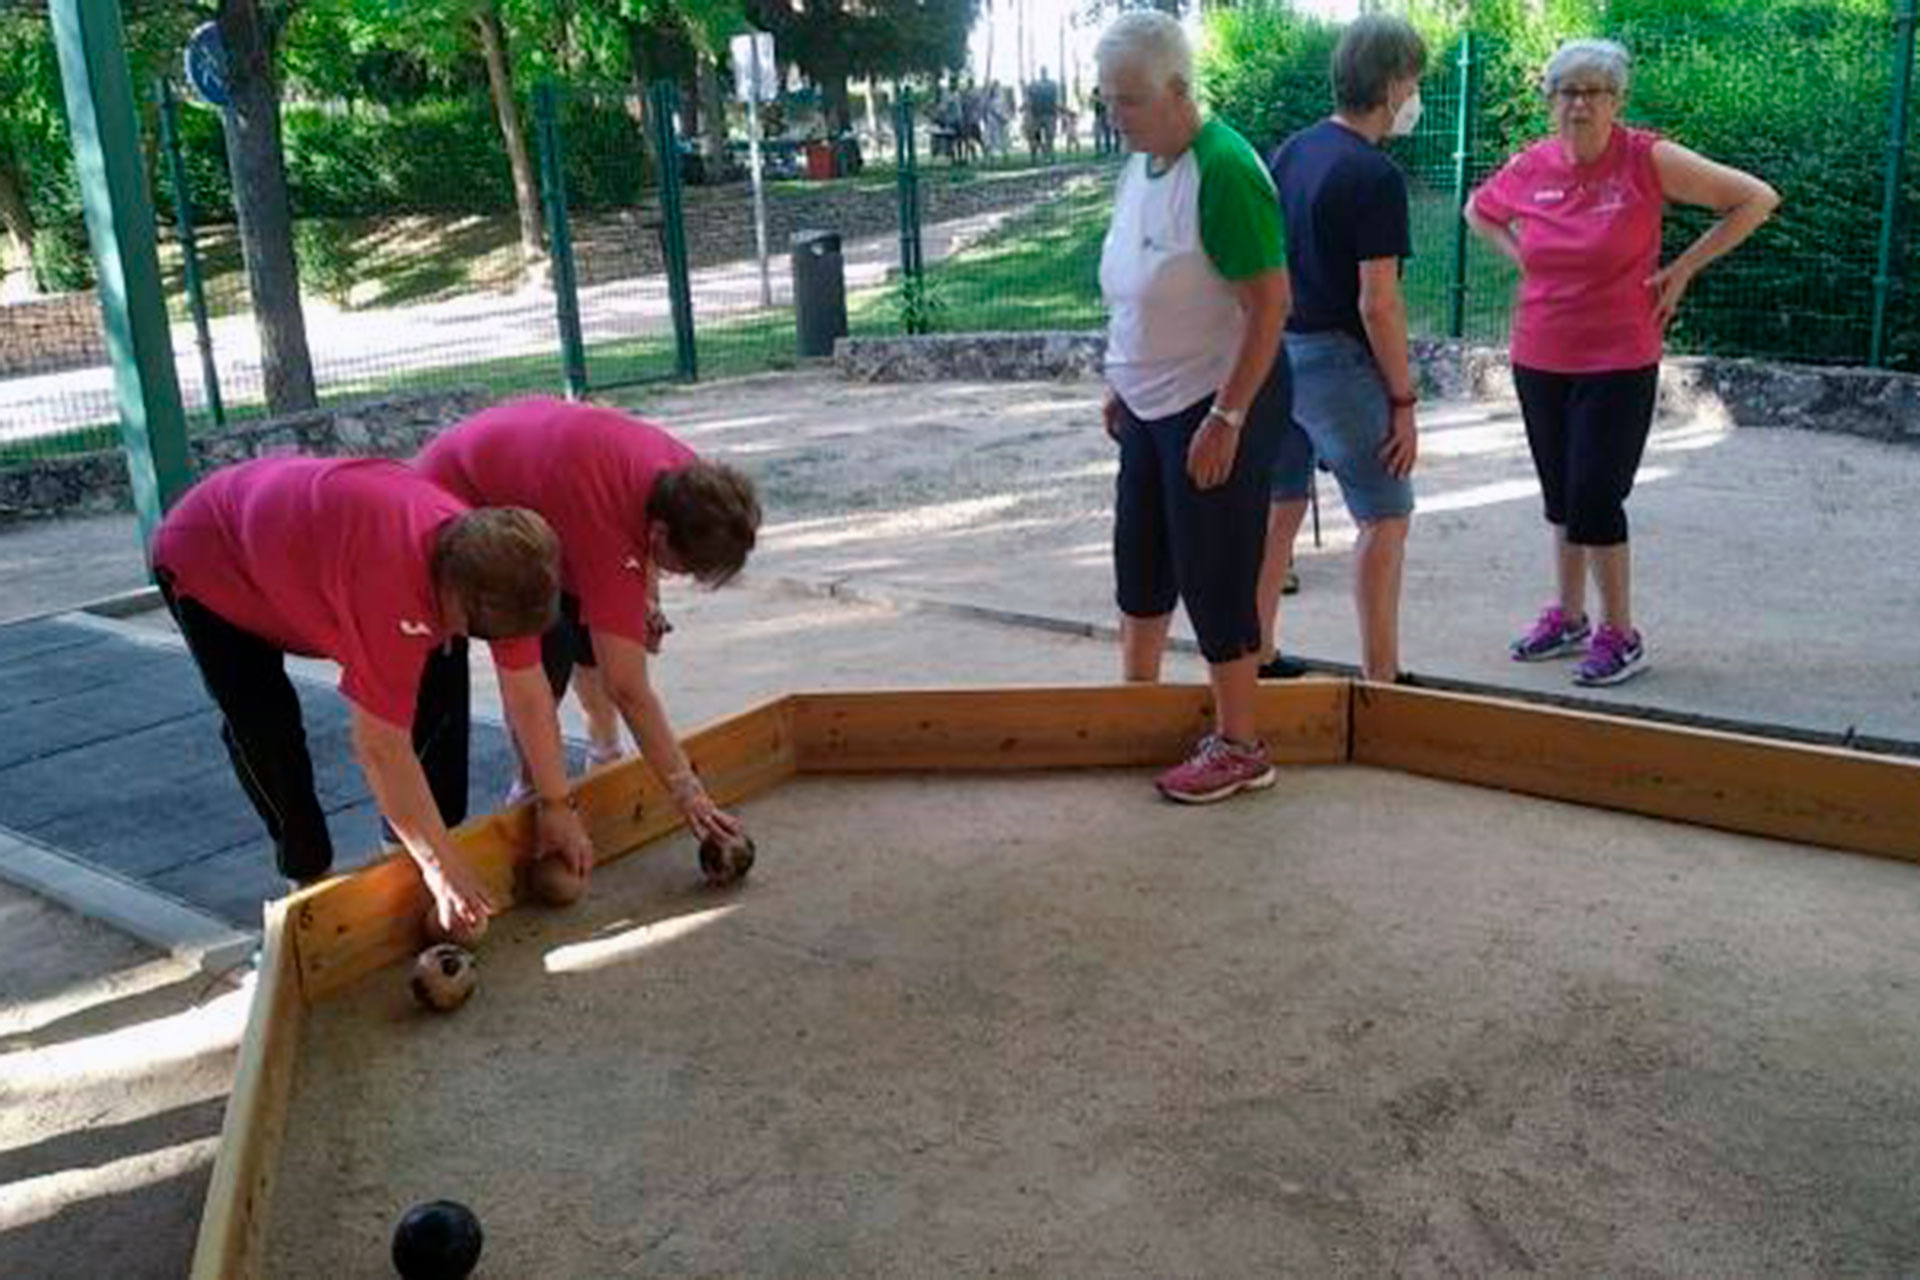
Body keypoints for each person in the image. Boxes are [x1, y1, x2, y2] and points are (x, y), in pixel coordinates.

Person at [150, 457, 592, 939]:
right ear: (453, 593)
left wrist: (557, 804)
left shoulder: (504, 569)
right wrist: (443, 868)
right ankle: (307, 877)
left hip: (303, 546)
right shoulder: (391, 588)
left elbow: (528, 696)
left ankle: (405, 856)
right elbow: (380, 747)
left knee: (443, 671)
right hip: (210, 558)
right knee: (265, 725)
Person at [1466, 38, 1778, 686]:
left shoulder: (1645, 159)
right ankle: (1569, 617)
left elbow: (1755, 199)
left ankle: (1621, 633)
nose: (1579, 104)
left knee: (1595, 496)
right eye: (1567, 92)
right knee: (1561, 495)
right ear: (1549, 100)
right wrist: (1521, 256)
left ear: (1617, 100)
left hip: (1618, 357)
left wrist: (1685, 267)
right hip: (1540, 354)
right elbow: (1478, 211)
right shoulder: (1531, 166)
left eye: (1594, 92)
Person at [1096, 11, 1292, 804]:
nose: (1115, 116)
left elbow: (1270, 305)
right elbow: (1136, 286)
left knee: (1215, 570)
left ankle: (1242, 745)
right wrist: (1122, 379)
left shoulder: (1225, 168)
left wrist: (1227, 418)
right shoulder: (1143, 162)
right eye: (1107, 99)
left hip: (1218, 397)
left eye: (1130, 100)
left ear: (1178, 91)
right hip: (1149, 400)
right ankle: (1135, 709)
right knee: (1140, 558)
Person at [416, 397, 762, 843]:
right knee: (526, 656)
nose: (681, 576)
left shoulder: (692, 483)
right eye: (684, 567)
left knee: (596, 626)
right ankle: (526, 794)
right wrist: (688, 792)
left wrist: (647, 598)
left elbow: (640, 552)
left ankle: (601, 758)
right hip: (449, 501)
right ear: (660, 533)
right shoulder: (608, 524)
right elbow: (628, 689)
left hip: (544, 485)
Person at [1261, 15, 1427, 685]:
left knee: (1280, 508)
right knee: (1385, 517)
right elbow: (1377, 303)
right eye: (1413, 81)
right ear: (1391, 85)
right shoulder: (1375, 175)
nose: (1415, 95)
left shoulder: (1291, 152)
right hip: (1336, 364)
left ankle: (1255, 654)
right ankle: (1382, 677)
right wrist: (1403, 400)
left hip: (1276, 353)